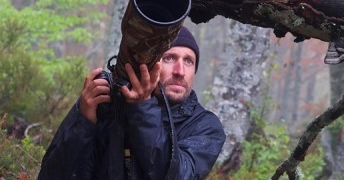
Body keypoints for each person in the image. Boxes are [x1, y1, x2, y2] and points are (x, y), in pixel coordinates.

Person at [37, 26, 226, 180]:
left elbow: (177, 175)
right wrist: (84, 122)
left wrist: (142, 108)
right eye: (169, 58)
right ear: (150, 64)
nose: (180, 71)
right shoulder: (110, 104)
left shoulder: (206, 127)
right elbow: (52, 174)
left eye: (189, 61)